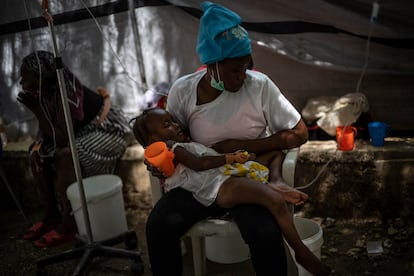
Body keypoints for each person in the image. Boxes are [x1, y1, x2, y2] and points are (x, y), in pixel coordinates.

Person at [145, 2, 332, 275]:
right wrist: (157, 161)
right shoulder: (182, 92)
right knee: (159, 226)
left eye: (246, 67)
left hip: (244, 174)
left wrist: (241, 147)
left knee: (265, 234)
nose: (243, 76)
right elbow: (171, 141)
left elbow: (299, 133)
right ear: (211, 65)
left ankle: (297, 255)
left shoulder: (260, 86)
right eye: (235, 70)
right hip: (199, 182)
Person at [133, 107, 330, 275]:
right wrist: (231, 157)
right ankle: (301, 253)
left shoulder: (182, 144)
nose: (176, 125)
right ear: (154, 139)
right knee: (275, 201)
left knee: (274, 157)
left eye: (173, 120)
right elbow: (200, 163)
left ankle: (275, 182)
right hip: (220, 185)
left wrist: (240, 155)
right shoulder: (173, 147)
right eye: (168, 124)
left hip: (225, 175)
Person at [18, 50, 131, 248]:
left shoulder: (66, 91)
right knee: (36, 153)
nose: (21, 83)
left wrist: (36, 110)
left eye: (25, 78)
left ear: (40, 78)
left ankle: (69, 224)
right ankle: (52, 215)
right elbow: (49, 131)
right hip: (78, 133)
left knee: (65, 155)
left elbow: (62, 139)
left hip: (107, 130)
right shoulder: (42, 93)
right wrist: (38, 144)